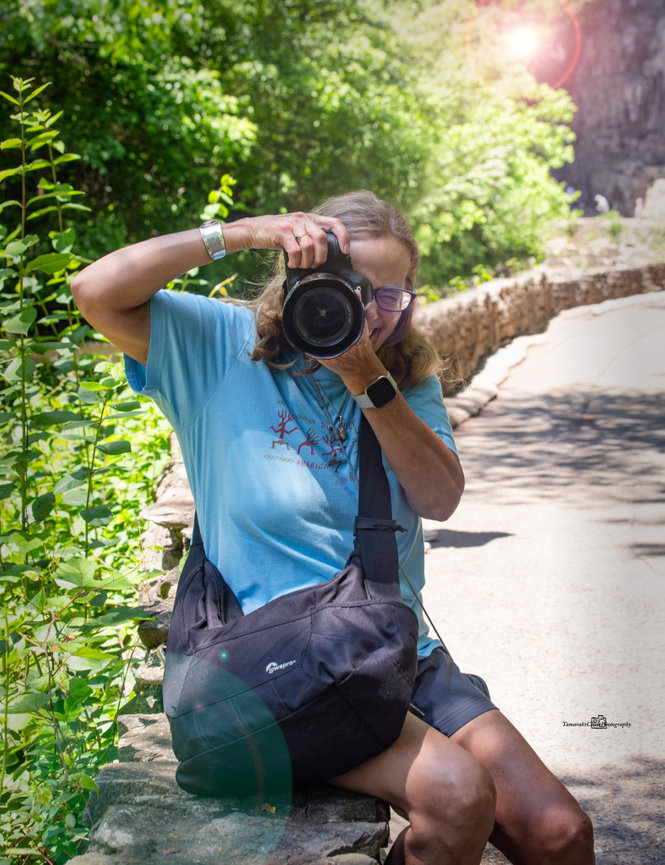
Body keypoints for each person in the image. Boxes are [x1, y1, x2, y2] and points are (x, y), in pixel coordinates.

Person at [71, 190, 594, 865]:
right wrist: (246, 232)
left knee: (561, 834)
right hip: (272, 659)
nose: (371, 313)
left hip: (386, 647)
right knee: (458, 795)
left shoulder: (404, 376)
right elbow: (95, 291)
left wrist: (366, 376)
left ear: (411, 292)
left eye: (390, 295)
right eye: (352, 288)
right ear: (302, 278)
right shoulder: (218, 345)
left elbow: (438, 498)